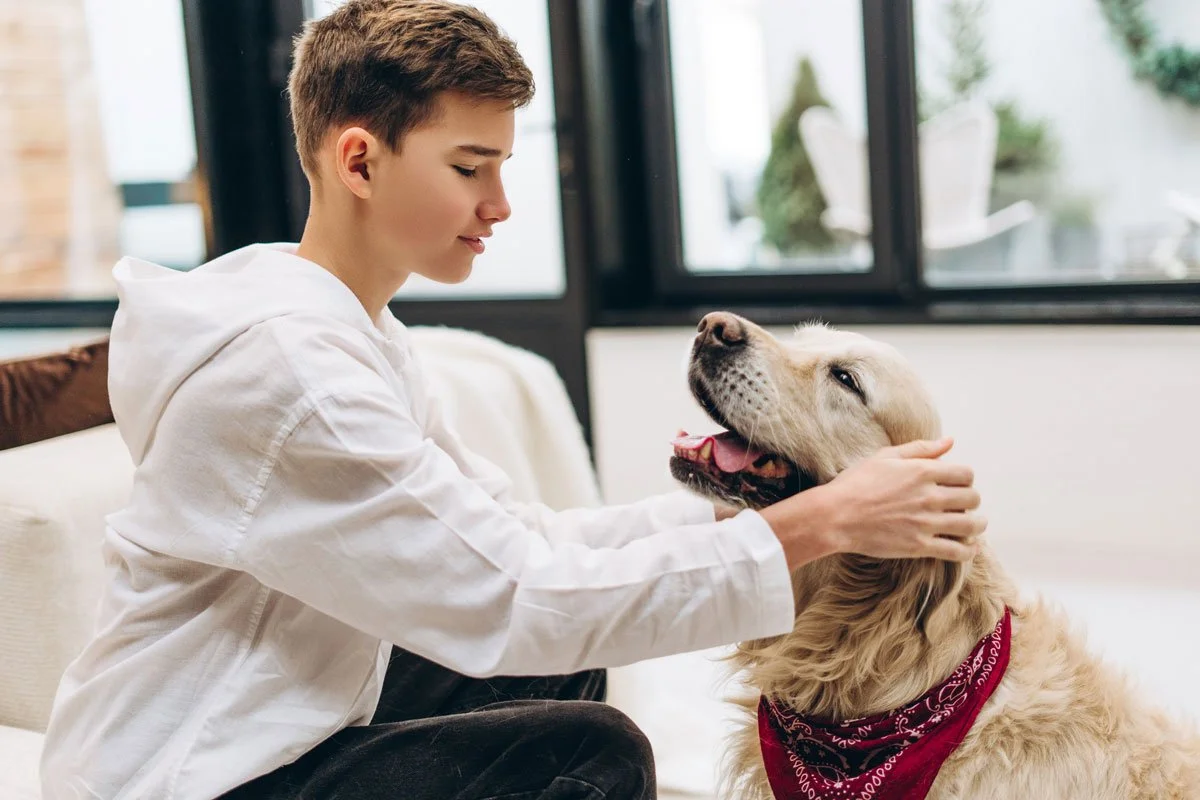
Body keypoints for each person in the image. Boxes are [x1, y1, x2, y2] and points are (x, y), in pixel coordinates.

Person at [39, 2, 986, 798]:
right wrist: (819, 524)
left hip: (272, 708)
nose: (500, 204)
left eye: (504, 164)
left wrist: (767, 502)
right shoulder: (292, 375)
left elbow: (510, 537)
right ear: (359, 161)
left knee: (552, 665)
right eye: (468, 167)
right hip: (187, 774)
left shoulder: (350, 328)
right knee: (592, 754)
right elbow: (520, 596)